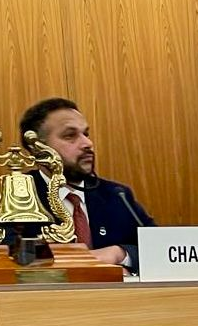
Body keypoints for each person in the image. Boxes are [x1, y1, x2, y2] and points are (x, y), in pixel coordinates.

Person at [17, 98, 154, 270]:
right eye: (70, 136)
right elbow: (4, 260)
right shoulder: (14, 195)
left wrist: (120, 253)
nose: (88, 144)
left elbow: (160, 248)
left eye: (86, 134)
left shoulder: (117, 196)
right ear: (38, 149)